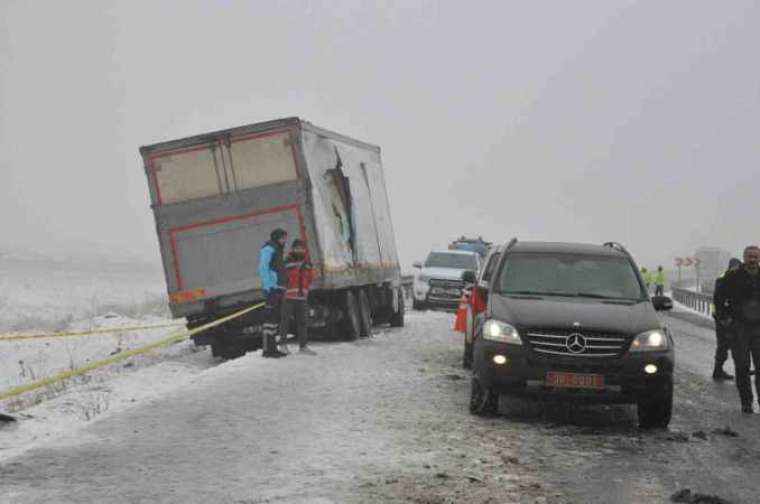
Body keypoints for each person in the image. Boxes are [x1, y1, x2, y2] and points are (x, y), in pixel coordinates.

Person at [723, 245, 760, 413]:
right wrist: (724, 318)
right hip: (739, 328)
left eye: (755, 256)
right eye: (750, 256)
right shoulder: (733, 277)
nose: (753, 260)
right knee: (742, 366)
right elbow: (719, 297)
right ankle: (746, 401)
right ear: (744, 257)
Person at [281, 239, 316, 355]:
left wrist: (305, 288)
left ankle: (303, 346)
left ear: (304, 249)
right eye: (296, 248)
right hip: (289, 298)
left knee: (303, 322)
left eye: (301, 248)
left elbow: (310, 278)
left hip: (302, 298)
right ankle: (283, 346)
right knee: (285, 322)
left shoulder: (307, 263)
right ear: (293, 249)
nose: (299, 250)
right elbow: (282, 277)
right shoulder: (287, 261)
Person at [258, 228, 288, 358]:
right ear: (276, 237)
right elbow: (263, 268)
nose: (284, 240)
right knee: (270, 320)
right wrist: (269, 287)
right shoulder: (269, 249)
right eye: (282, 238)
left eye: (285, 238)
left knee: (275, 319)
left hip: (279, 288)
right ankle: (268, 350)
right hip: (272, 290)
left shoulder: (277, 249)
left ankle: (272, 348)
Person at [712, 258, 742, 381]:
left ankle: (740, 370)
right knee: (724, 345)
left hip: (733, 319)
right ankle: (718, 370)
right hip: (723, 319)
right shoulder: (723, 280)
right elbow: (718, 301)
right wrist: (723, 318)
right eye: (736, 267)